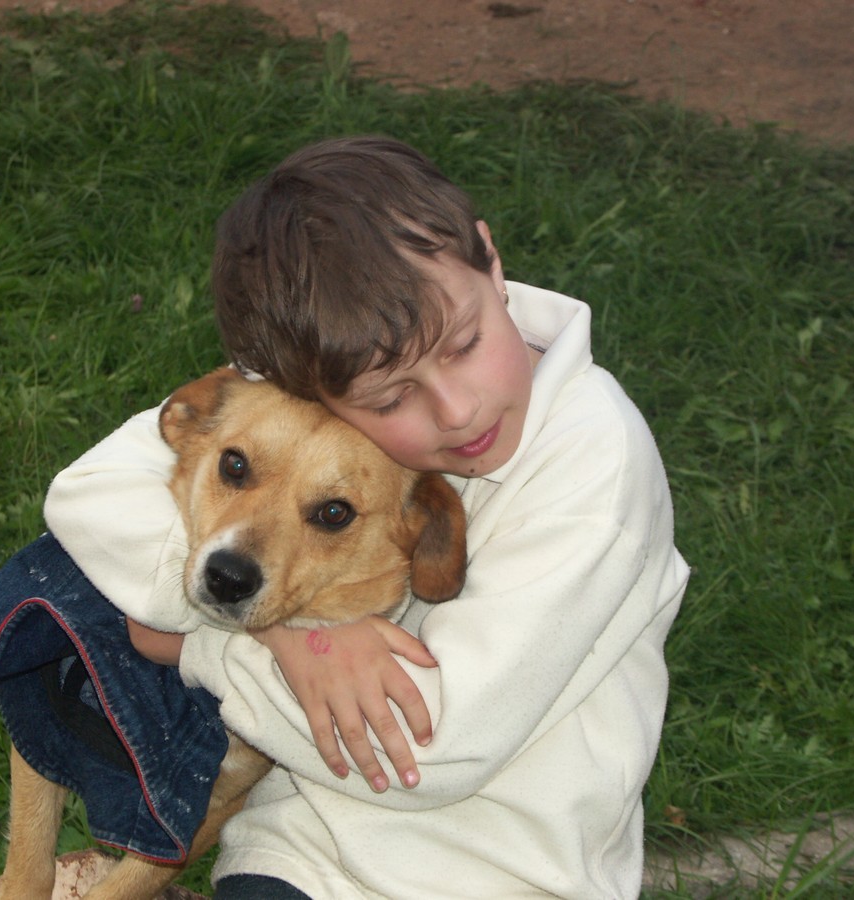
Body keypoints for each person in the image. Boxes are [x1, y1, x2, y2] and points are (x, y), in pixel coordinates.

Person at [38, 136, 690, 898]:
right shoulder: (335, 355)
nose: (457, 410)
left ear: (490, 260)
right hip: (298, 856)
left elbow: (432, 747)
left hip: (498, 877)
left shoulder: (597, 466)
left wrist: (204, 647)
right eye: (392, 399)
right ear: (312, 388)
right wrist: (287, 634)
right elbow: (85, 492)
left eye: (466, 345)